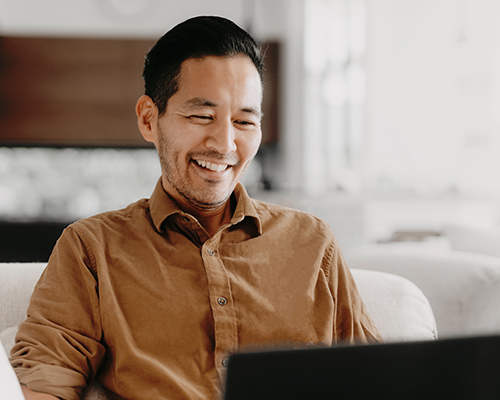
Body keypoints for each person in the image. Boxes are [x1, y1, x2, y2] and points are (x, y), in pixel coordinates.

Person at [10, 16, 381, 400]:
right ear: (149, 119)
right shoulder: (91, 249)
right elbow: (44, 384)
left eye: (244, 120)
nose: (224, 144)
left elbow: (378, 379)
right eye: (202, 116)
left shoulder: (313, 243)